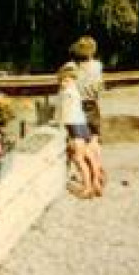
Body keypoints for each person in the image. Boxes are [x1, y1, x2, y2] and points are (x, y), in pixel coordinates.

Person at [56, 62, 103, 197]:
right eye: (62, 81)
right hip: (82, 125)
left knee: (78, 158)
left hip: (74, 127)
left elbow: (65, 113)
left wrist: (59, 124)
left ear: (72, 80)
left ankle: (87, 187)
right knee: (88, 155)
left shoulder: (67, 93)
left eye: (67, 80)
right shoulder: (75, 91)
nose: (64, 83)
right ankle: (96, 183)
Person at [70, 36, 108, 193]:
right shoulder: (98, 66)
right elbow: (100, 88)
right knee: (94, 143)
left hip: (78, 108)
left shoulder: (73, 68)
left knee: (82, 147)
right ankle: (97, 179)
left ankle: (89, 184)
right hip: (93, 106)